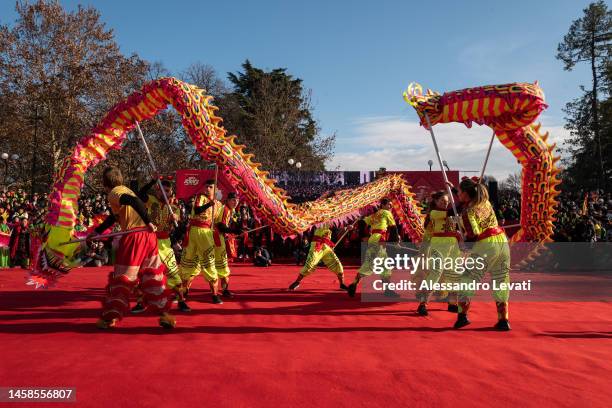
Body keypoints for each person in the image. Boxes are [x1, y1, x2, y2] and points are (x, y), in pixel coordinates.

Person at [90, 166, 175, 330]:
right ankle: (165, 315)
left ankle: (110, 317)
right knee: (153, 278)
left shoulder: (114, 193)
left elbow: (135, 202)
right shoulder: (126, 190)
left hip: (135, 237)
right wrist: (96, 231)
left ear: (104, 182)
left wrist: (149, 220)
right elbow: (113, 218)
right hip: (149, 238)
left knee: (123, 279)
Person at [454, 177, 511, 331]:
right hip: (502, 242)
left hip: (486, 245)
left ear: (466, 193)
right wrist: (453, 188)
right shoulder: (486, 203)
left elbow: (473, 234)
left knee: (467, 279)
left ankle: (462, 316)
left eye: (459, 192)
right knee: (501, 280)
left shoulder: (468, 211)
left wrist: (463, 238)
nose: (457, 195)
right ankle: (503, 319)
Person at [131, 179, 186, 313]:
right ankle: (140, 302)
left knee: (173, 272)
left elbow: (178, 223)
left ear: (171, 192)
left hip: (165, 244)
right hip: (149, 241)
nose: (164, 193)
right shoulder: (150, 200)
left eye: (167, 191)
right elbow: (140, 193)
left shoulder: (174, 208)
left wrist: (175, 218)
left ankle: (181, 301)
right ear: (156, 190)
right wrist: (153, 180)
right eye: (161, 190)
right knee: (143, 274)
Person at [415, 191, 461, 316]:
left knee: (453, 273)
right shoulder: (434, 213)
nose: (445, 204)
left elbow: (462, 224)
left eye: (447, 202)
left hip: (453, 246)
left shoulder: (452, 215)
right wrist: (457, 194)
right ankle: (423, 304)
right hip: (438, 245)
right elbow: (454, 211)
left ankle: (452, 303)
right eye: (442, 201)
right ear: (435, 201)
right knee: (435, 273)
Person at [179, 179, 224, 304]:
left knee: (209, 262)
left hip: (206, 233)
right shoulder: (201, 198)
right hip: (194, 231)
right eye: (206, 187)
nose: (207, 189)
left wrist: (232, 230)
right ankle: (183, 291)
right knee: (188, 262)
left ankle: (214, 294)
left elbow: (219, 223)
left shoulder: (219, 205)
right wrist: (210, 204)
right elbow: (198, 210)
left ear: (215, 189)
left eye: (210, 187)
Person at [347, 198, 400, 297]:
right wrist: (395, 242)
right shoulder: (386, 213)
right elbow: (393, 228)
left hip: (374, 239)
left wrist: (361, 234)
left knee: (384, 265)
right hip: (379, 239)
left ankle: (387, 289)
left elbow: (362, 223)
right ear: (383, 205)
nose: (391, 206)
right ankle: (354, 284)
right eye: (389, 204)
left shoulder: (374, 215)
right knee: (372, 263)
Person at [288, 224, 349, 291]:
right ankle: (297, 281)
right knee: (310, 265)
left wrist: (346, 228)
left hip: (326, 246)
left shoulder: (334, 221)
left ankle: (342, 284)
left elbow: (338, 232)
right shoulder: (320, 218)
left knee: (337, 264)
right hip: (317, 245)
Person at [213, 192, 242, 298]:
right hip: (216, 237)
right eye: (233, 200)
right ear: (228, 200)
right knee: (222, 265)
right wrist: (233, 230)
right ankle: (223, 290)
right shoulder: (225, 209)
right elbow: (221, 226)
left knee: (221, 265)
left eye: (237, 200)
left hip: (218, 237)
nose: (236, 202)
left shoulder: (230, 210)